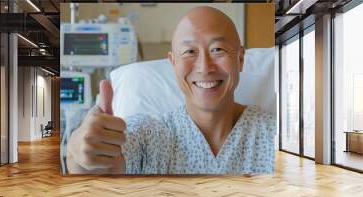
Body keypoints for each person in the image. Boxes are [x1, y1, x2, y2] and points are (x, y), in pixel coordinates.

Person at [66, 6, 276, 174]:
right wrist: (78, 152)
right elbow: (104, 164)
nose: (204, 67)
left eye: (217, 50)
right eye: (189, 51)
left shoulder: (275, 136)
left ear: (239, 59)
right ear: (173, 63)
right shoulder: (150, 135)